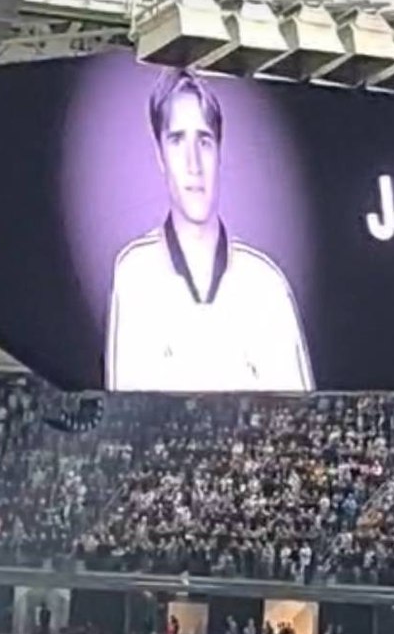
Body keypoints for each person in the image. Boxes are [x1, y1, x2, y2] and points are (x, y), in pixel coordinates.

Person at [107, 69, 313, 393]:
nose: (193, 164)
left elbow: (297, 400)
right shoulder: (134, 273)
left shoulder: (266, 283)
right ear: (160, 156)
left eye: (204, 141)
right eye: (177, 140)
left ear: (220, 153)